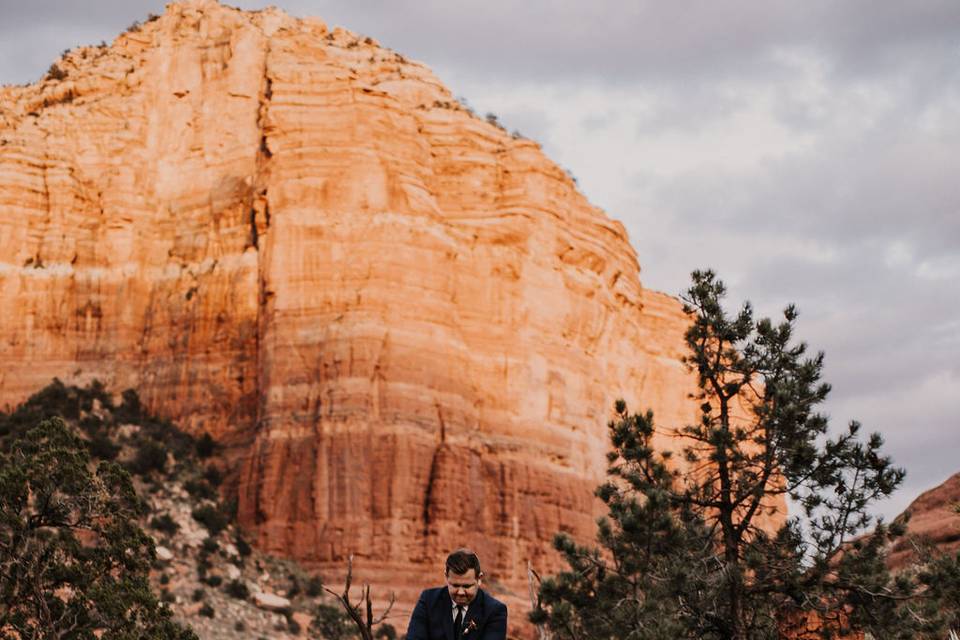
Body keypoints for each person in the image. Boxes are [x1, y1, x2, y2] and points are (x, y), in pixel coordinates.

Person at [405, 548, 508, 640]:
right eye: (455, 585)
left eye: (467, 586)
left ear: (479, 579)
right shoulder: (428, 600)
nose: (460, 592)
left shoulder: (495, 611)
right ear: (446, 577)